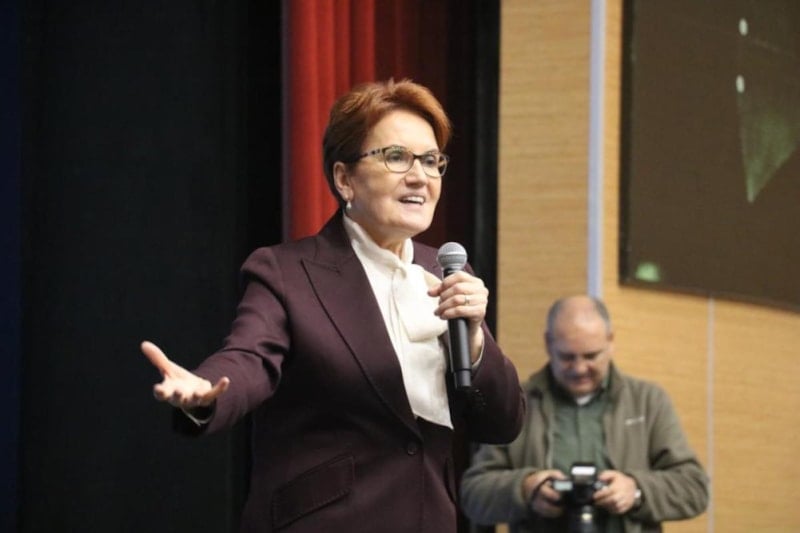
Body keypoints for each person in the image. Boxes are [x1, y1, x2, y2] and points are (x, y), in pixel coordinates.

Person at [141, 78, 525, 533]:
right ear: (345, 179)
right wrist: (204, 391)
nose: (420, 177)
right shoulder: (287, 271)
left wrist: (476, 340)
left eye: (430, 161)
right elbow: (249, 358)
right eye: (396, 157)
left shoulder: (445, 272)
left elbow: (503, 423)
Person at [459, 295, 709, 533]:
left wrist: (636, 490)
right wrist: (526, 488)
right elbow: (473, 495)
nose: (579, 369)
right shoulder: (518, 403)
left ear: (610, 341)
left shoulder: (647, 402)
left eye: (591, 356)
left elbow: (694, 487)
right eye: (567, 357)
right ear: (548, 343)